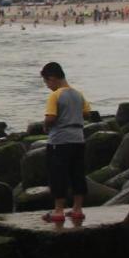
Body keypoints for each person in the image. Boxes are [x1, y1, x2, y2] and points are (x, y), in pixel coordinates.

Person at [40, 61, 91, 224]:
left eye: (47, 82)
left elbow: (51, 117)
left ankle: (59, 211)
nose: (48, 86)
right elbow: (87, 114)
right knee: (77, 173)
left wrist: (45, 126)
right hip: (78, 139)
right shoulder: (78, 94)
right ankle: (77, 209)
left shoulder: (55, 95)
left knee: (57, 174)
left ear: (52, 78)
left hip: (60, 141)